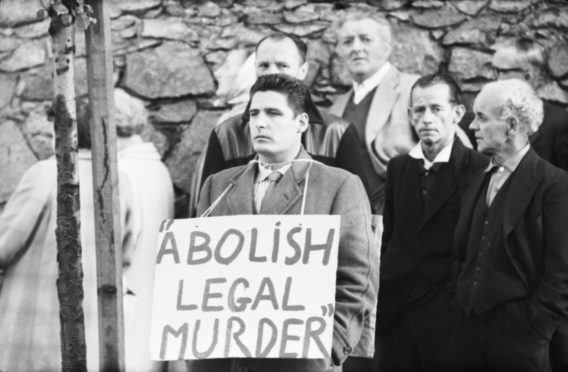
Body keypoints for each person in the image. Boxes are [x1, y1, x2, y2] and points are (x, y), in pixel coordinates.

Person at [189, 73, 379, 372]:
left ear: (302, 123)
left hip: (299, 360)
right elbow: (196, 274)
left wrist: (328, 347)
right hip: (224, 359)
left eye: (274, 113)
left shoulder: (337, 185)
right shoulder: (217, 185)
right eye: (254, 114)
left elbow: (357, 277)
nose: (260, 122)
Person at [0, 107, 137, 372]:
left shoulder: (45, 173)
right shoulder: (120, 181)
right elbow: (127, 252)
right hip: (95, 326)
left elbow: (5, 243)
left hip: (36, 326)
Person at [450, 79, 568, 371]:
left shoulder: (554, 184)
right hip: (468, 335)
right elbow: (463, 253)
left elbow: (562, 270)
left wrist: (536, 325)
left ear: (512, 125)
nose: (472, 127)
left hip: (523, 342)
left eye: (481, 117)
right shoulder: (476, 181)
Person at [190, 32, 373, 217]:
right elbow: (207, 212)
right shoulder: (226, 133)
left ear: (303, 70)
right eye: (264, 65)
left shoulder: (337, 132)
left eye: (282, 65)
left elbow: (359, 211)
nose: (272, 72)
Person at [376, 74, 488, 372]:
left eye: (436, 109)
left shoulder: (478, 168)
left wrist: (455, 298)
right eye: (419, 110)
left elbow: (479, 246)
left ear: (457, 113)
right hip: (397, 307)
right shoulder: (399, 167)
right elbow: (391, 236)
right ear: (410, 115)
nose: (427, 119)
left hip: (448, 309)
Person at [330, 13, 472, 214]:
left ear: (386, 48)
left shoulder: (413, 89)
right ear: (339, 51)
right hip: (353, 219)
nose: (356, 47)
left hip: (410, 212)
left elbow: (461, 151)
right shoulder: (336, 107)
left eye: (365, 39)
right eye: (347, 41)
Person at [113, 88, 175, 372]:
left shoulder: (125, 173)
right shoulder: (155, 167)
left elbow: (118, 244)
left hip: (130, 301)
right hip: (153, 301)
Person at [492, 37, 568, 171]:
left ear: (527, 77)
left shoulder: (560, 124)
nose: (493, 78)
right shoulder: (483, 118)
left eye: (501, 71)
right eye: (493, 70)